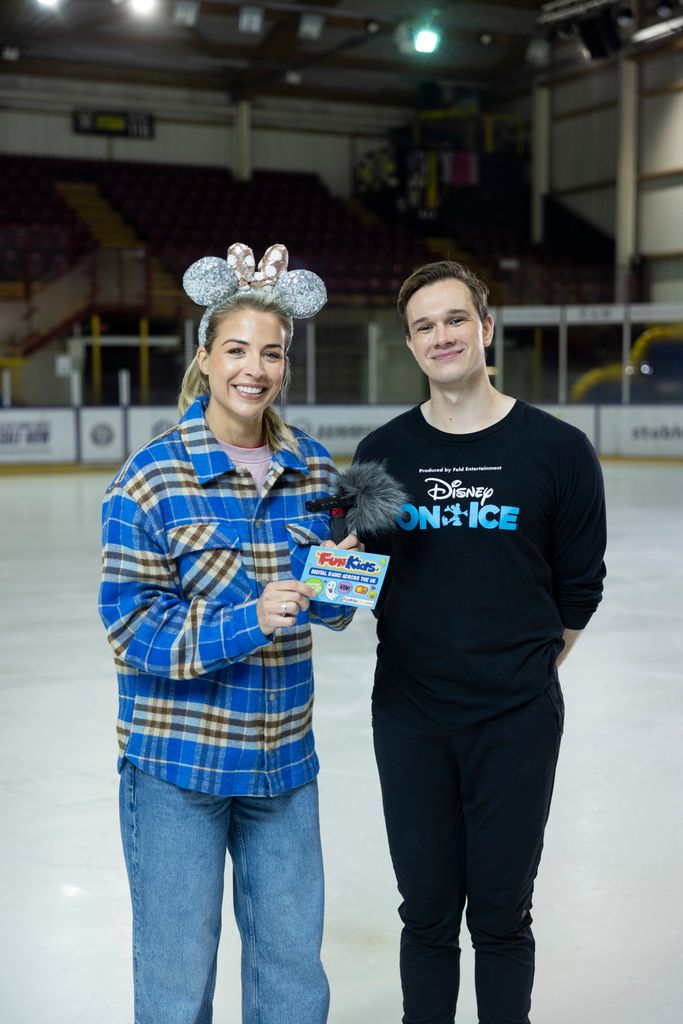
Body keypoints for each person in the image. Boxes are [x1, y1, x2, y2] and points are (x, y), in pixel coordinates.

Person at [99, 242, 360, 1024]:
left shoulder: (313, 468)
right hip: (178, 767)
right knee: (176, 978)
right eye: (238, 349)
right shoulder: (149, 479)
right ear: (206, 356)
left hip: (283, 763)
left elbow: (334, 608)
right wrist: (250, 618)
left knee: (291, 971)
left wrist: (344, 575)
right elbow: (134, 632)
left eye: (272, 353)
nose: (256, 368)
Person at [354, 260, 606, 1024]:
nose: (442, 336)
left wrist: (515, 672)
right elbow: (351, 582)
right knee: (426, 912)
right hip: (409, 717)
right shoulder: (383, 452)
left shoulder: (557, 450)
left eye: (455, 319)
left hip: (515, 720)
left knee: (500, 915)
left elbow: (577, 591)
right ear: (409, 344)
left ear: (484, 328)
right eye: (424, 326)